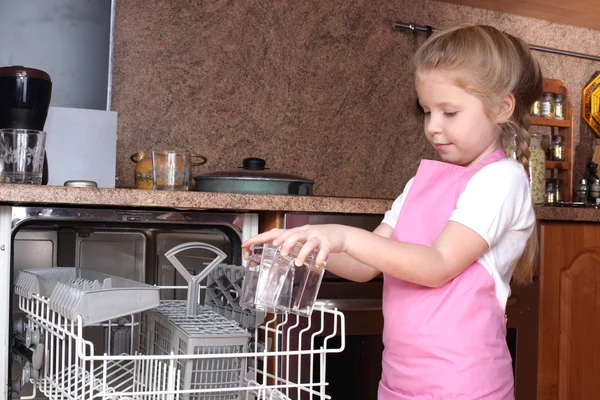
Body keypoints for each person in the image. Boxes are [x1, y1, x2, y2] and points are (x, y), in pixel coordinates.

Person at [242, 23, 542, 400]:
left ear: (502, 107)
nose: (433, 127)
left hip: (462, 385)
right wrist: (305, 245)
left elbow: (437, 264)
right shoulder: (422, 181)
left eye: (449, 112)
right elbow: (366, 265)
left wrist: (344, 234)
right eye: (426, 111)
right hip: (399, 382)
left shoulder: (502, 179)